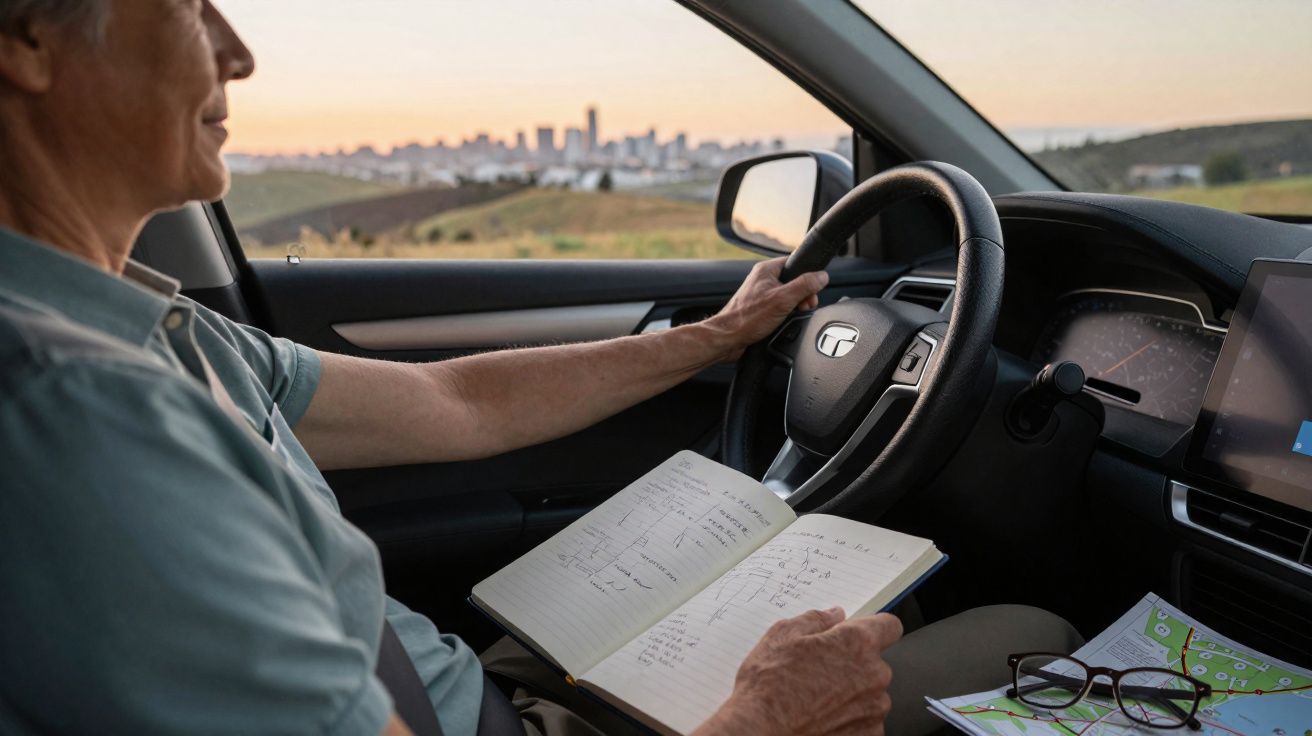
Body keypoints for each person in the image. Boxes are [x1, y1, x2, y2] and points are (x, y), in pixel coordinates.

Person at [0, 2, 1081, 735]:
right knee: (1033, 638)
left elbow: (453, 399)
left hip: (472, 694)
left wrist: (707, 340)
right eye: (191, 7)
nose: (235, 53)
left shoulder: (163, 338)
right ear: (31, 43)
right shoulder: (74, 405)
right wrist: (757, 721)